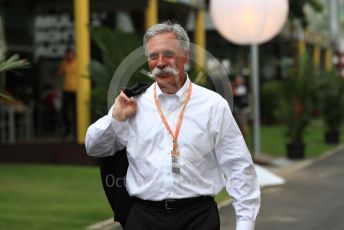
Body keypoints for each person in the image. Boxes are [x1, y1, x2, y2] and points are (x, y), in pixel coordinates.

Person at [85, 21, 260, 230]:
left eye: (168, 54)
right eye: (153, 56)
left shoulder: (213, 105)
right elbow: (94, 147)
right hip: (144, 218)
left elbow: (239, 167)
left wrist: (245, 224)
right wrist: (116, 118)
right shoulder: (132, 103)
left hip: (199, 218)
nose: (160, 62)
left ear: (185, 56)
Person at [58, 48, 77, 139]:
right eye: (67, 54)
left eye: (70, 54)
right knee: (64, 111)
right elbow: (59, 73)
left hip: (76, 90)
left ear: (73, 55)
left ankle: (75, 131)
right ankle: (67, 130)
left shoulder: (77, 62)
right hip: (66, 89)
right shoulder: (64, 63)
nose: (69, 56)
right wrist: (63, 64)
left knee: (75, 111)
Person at [232, 75, 250, 140]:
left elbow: (235, 94)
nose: (237, 82)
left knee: (243, 125)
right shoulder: (236, 88)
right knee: (238, 126)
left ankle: (245, 139)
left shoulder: (243, 88)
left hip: (243, 110)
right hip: (237, 110)